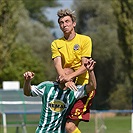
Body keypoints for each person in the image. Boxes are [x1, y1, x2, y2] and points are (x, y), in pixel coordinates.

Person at [51, 9, 95, 132]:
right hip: (67, 87)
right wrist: (65, 80)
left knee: (69, 127)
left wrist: (67, 78)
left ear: (74, 23)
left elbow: (84, 66)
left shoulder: (85, 40)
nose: (64, 25)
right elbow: (57, 64)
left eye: (67, 21)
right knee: (61, 127)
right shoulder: (56, 43)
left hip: (84, 87)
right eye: (61, 22)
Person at [23, 59, 96, 133]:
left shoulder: (74, 92)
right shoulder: (47, 86)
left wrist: (90, 71)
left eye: (65, 74)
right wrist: (27, 81)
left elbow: (92, 86)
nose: (61, 75)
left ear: (71, 79)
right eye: (60, 72)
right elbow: (27, 92)